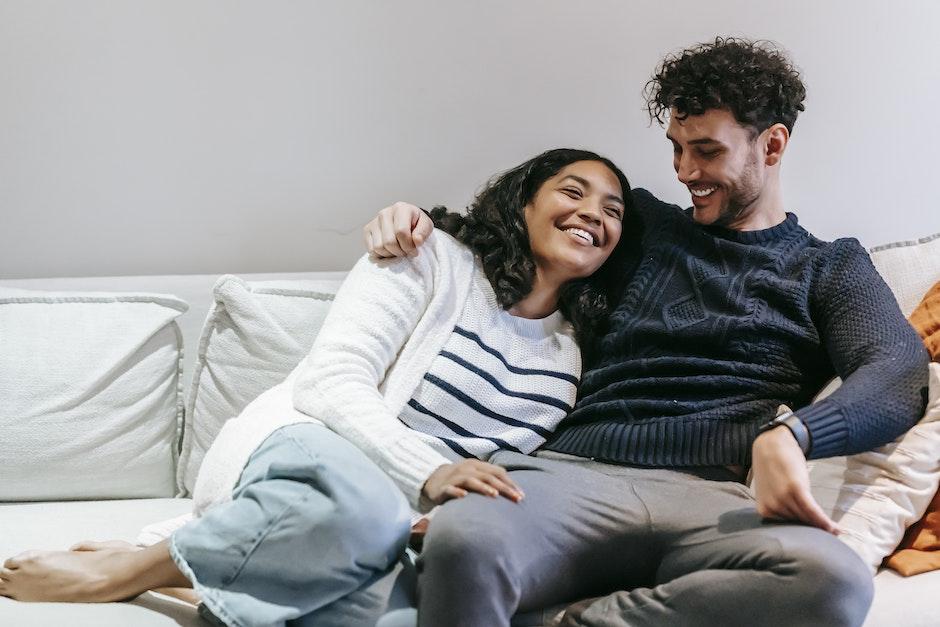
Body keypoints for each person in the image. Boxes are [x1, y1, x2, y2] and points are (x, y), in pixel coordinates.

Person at [363, 38, 930, 627]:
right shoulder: (639, 224)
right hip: (572, 475)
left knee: (831, 581)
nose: (686, 172)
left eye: (706, 151)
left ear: (773, 143)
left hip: (716, 502)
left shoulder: (829, 267)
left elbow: (899, 371)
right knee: (463, 540)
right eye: (677, 149)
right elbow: (514, 232)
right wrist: (415, 223)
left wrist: (793, 437)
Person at [0, 148, 637, 626]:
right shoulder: (429, 256)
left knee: (408, 619)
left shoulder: (570, 355)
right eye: (572, 191)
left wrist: (441, 515)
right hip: (307, 447)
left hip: (403, 524)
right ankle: (130, 569)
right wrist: (428, 475)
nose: (592, 214)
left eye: (612, 211)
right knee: (364, 510)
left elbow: (501, 466)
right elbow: (332, 383)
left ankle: (206, 586)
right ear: (523, 201)